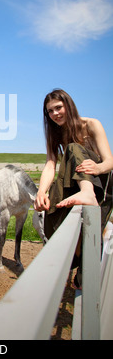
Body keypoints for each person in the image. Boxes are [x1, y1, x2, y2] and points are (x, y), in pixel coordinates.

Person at [34, 89, 113, 287]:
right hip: (77, 181)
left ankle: (87, 193)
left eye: (58, 108)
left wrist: (97, 167)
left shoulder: (92, 124)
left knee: (73, 148)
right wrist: (41, 192)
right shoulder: (55, 134)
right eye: (50, 111)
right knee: (54, 210)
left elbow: (109, 161)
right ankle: (76, 268)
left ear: (68, 105)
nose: (55, 114)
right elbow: (51, 165)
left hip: (102, 184)